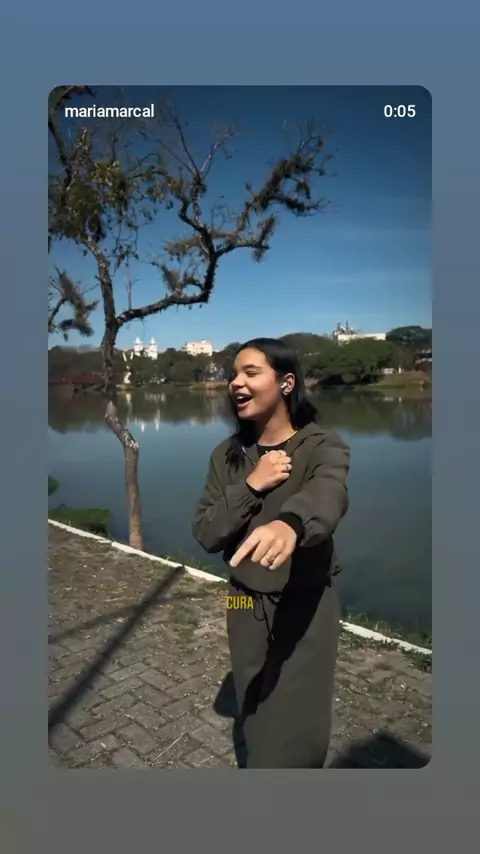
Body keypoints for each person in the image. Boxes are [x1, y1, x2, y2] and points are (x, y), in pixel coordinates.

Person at [192, 338, 350, 768]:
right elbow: (206, 531)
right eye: (233, 374)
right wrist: (251, 486)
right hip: (243, 599)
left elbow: (329, 493)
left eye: (250, 372)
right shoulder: (227, 456)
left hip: (305, 601)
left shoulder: (322, 446)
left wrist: (291, 523)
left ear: (286, 383)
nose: (235, 383)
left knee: (299, 725)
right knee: (253, 702)